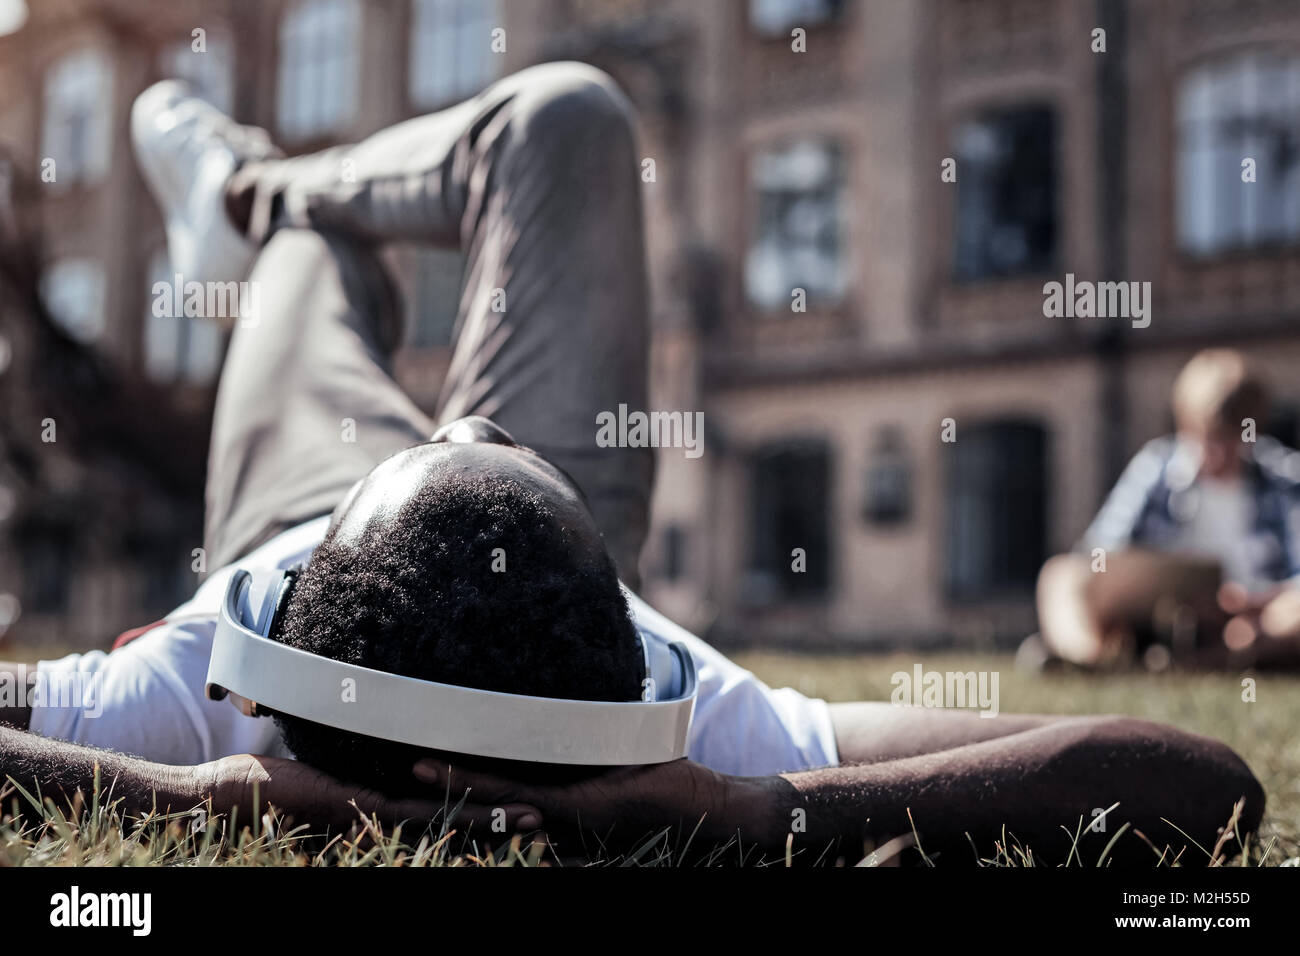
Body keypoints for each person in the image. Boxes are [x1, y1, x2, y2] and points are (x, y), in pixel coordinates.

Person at [0, 65, 1265, 864]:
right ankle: (270, 195)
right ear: (628, 637)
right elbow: (1195, 784)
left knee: (316, 259)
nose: (465, 414)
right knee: (567, 118)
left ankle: (253, 197)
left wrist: (202, 792)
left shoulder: (182, 683)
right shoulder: (683, 713)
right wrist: (747, 810)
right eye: (483, 434)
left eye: (464, 430)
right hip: (438, 528)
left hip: (303, 498)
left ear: (272, 636)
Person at [1035, 349, 1300, 670]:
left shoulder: (1283, 478)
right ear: (1184, 424)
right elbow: (1098, 552)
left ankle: (1205, 660)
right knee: (1062, 576)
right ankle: (1087, 661)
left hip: (1250, 624)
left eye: (1227, 441)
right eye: (1206, 439)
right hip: (1161, 621)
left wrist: (1259, 603)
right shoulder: (1156, 470)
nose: (1214, 454)